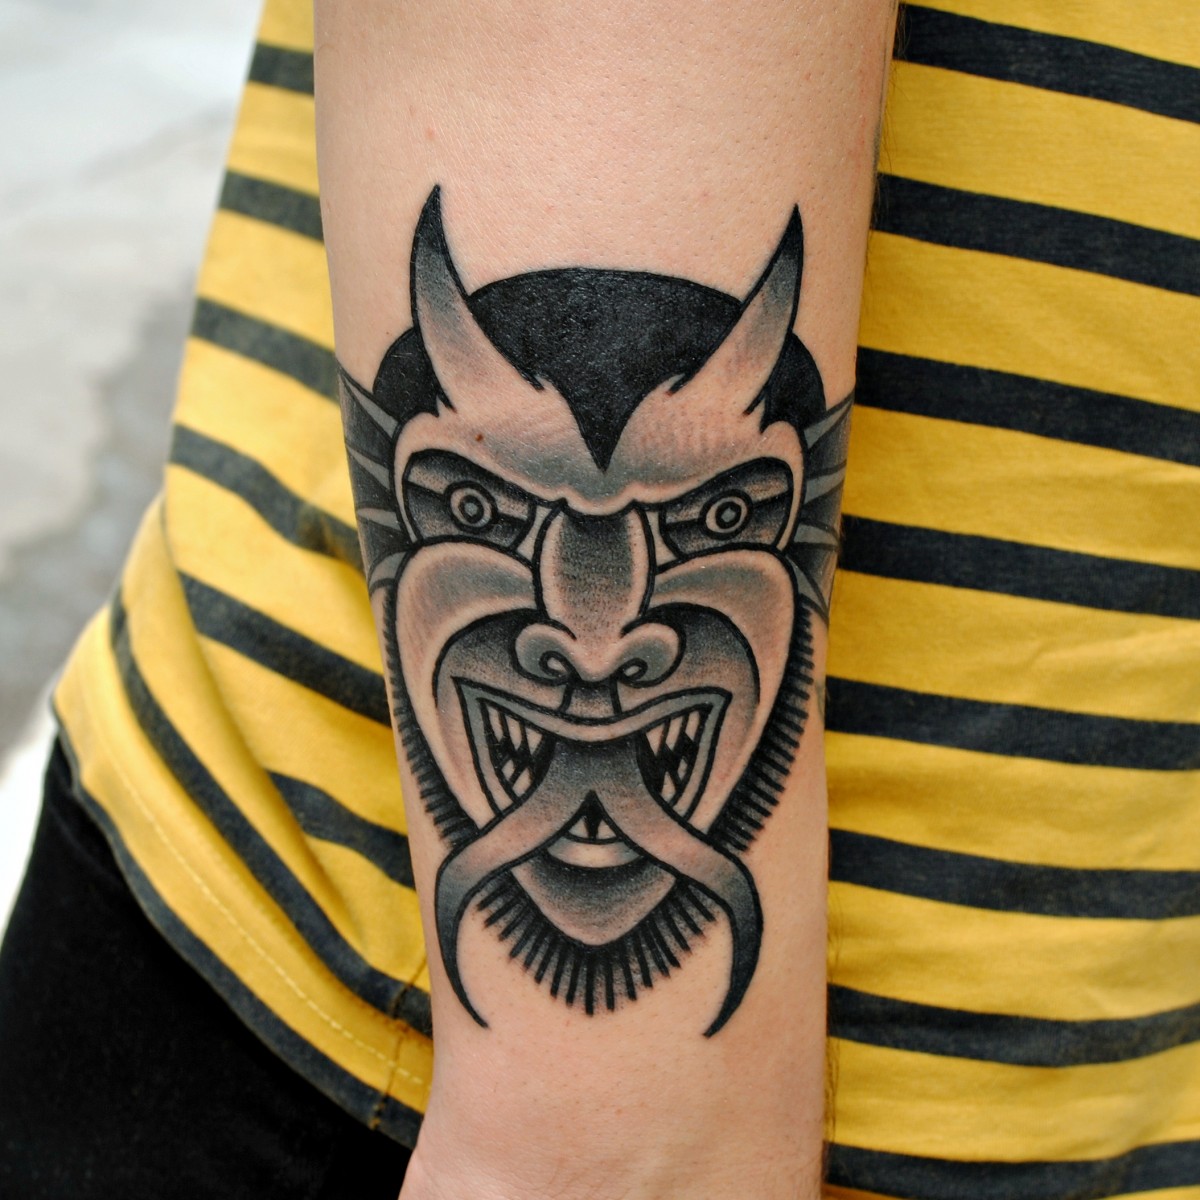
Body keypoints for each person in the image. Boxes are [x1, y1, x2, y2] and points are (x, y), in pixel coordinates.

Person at [1, 0, 1197, 1196]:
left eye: (715, 521)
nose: (594, 642)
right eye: (481, 511)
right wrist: (595, 1131)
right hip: (372, 1056)